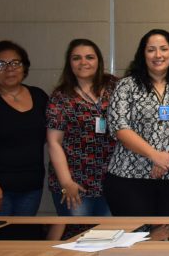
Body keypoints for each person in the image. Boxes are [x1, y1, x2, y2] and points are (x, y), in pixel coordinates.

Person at [105, 29, 169, 216]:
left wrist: (168, 159)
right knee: (137, 238)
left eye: (164, 49)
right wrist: (154, 155)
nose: (158, 55)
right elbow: (119, 127)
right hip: (129, 178)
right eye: (151, 50)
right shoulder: (127, 86)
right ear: (143, 55)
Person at [0, 40, 48, 220]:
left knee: (21, 242)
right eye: (0, 64)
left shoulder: (39, 96)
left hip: (31, 188)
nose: (9, 68)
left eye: (15, 63)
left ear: (24, 67)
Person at [46, 38, 118, 216]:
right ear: (69, 63)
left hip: (111, 181)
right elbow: (54, 142)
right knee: (78, 238)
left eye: (90, 57)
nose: (83, 62)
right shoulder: (61, 96)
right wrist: (66, 183)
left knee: (109, 237)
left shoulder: (115, 87)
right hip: (75, 183)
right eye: (76, 58)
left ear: (99, 61)